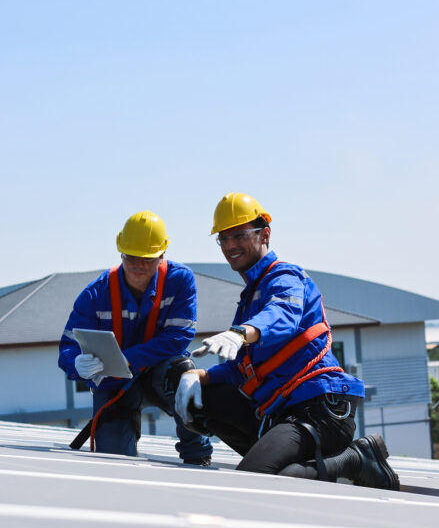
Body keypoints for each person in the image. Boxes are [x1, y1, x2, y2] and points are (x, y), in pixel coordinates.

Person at [174, 193, 399, 489]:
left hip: (320, 410)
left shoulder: (285, 277)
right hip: (280, 413)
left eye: (239, 235)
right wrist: (199, 375)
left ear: (264, 233)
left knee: (263, 479)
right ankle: (280, 458)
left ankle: (356, 458)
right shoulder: (251, 297)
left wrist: (240, 333)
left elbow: (282, 315)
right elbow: (243, 370)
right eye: (223, 239)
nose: (230, 246)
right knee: (202, 399)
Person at [59, 211, 213, 464]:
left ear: (162, 255)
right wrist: (76, 364)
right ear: (121, 252)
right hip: (114, 383)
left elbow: (178, 337)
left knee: (183, 373)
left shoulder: (179, 281)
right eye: (131, 256)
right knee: (114, 458)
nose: (138, 265)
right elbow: (68, 346)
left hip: (160, 374)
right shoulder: (96, 293)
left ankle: (198, 455)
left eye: (147, 258)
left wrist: (127, 358)